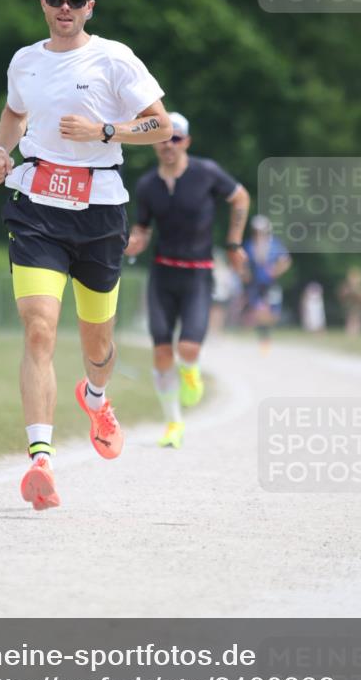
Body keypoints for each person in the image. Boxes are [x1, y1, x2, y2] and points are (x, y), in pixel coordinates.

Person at [0, 0, 171, 510]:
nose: (64, 7)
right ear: (42, 4)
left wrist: (105, 130)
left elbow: (160, 124)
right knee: (39, 330)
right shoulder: (25, 60)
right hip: (36, 207)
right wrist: (1, 152)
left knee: (98, 345)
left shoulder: (114, 58)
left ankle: (95, 397)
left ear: (90, 7)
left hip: (99, 211)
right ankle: (40, 460)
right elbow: (14, 114)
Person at [125, 113, 250, 448]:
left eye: (176, 139)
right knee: (161, 352)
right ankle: (173, 424)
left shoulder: (206, 173)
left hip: (197, 273)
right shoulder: (147, 185)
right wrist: (135, 241)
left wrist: (234, 243)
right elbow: (142, 227)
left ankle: (191, 370)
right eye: (163, 138)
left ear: (187, 142)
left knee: (188, 347)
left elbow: (240, 197)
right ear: (155, 143)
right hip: (162, 273)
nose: (169, 145)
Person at [242, 215, 291, 351]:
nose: (259, 233)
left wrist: (276, 271)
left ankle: (266, 333)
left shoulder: (274, 244)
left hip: (271, 283)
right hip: (255, 284)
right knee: (259, 311)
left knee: (274, 314)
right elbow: (243, 263)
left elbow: (286, 260)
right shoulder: (249, 244)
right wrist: (245, 274)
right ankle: (264, 338)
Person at [337, 266, 361, 336]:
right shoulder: (346, 286)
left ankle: (356, 332)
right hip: (349, 306)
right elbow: (341, 294)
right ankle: (350, 332)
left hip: (359, 307)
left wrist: (359, 296)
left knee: (357, 319)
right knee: (349, 318)